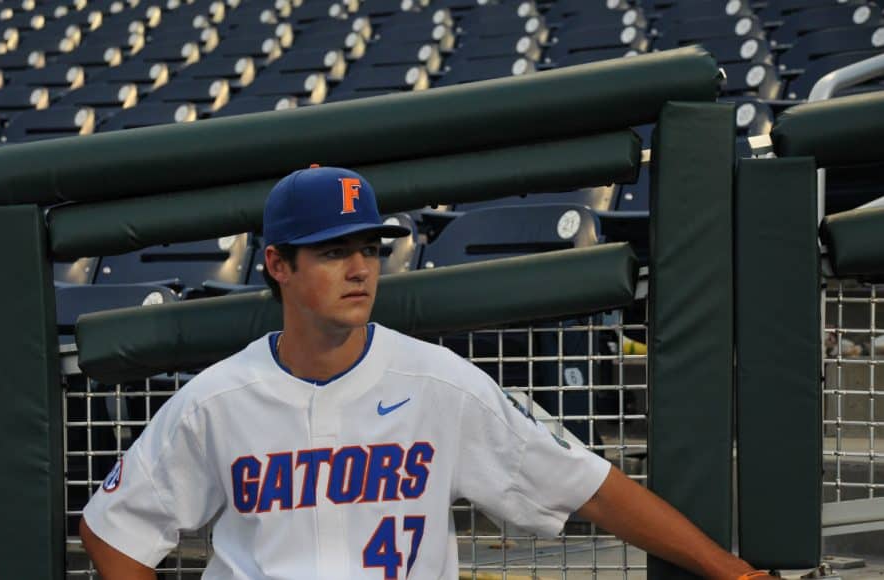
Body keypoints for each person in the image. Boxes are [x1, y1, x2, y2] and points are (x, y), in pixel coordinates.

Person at [80, 165, 769, 580]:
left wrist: (729, 571)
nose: (358, 268)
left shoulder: (439, 383)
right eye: (330, 252)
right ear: (278, 265)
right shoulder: (216, 400)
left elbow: (588, 486)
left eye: (368, 249)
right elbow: (113, 527)